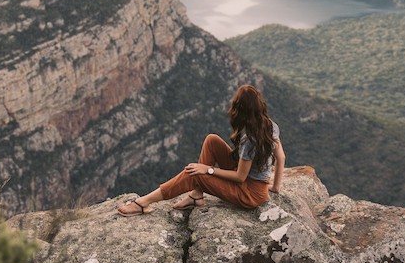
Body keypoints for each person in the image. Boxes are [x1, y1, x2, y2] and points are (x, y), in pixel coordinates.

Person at [117, 84, 285, 217]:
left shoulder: (249, 139)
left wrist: (209, 170)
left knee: (195, 173)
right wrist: (275, 187)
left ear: (239, 109)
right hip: (253, 185)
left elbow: (240, 177)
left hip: (249, 194)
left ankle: (143, 202)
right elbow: (281, 157)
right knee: (212, 140)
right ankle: (197, 194)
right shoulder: (270, 124)